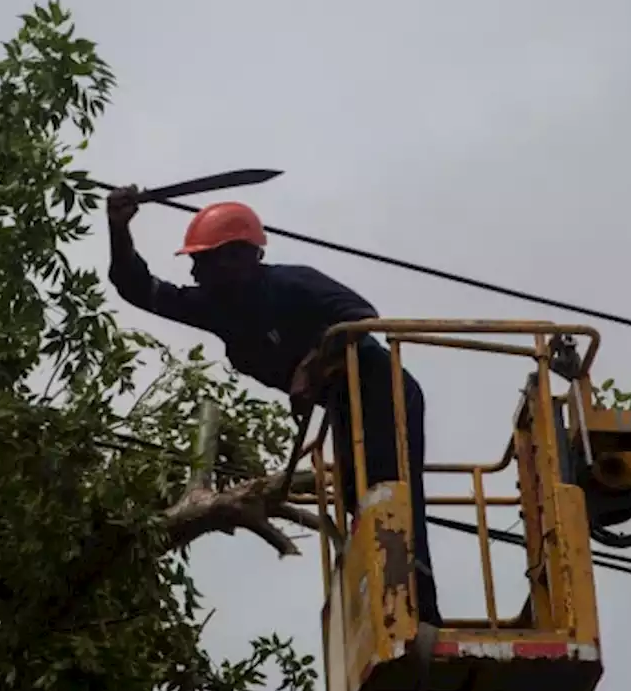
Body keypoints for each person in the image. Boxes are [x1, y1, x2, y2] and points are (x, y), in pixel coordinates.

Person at [105, 186, 441, 626]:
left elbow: (361, 315)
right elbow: (137, 288)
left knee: (388, 494)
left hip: (382, 392)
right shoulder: (215, 307)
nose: (195, 270)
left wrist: (312, 363)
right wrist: (118, 228)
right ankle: (387, 610)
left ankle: (421, 614)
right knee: (359, 502)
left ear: (241, 258)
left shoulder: (291, 283)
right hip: (343, 408)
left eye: (204, 260)